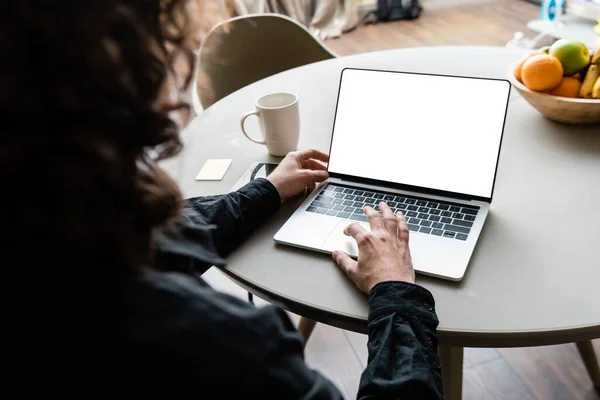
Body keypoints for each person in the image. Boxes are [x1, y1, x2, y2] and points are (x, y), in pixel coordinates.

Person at [2, 1, 442, 398]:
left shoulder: (49, 226)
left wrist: (265, 191)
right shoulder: (226, 350)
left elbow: (158, 239)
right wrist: (396, 293)